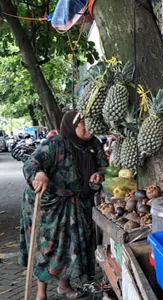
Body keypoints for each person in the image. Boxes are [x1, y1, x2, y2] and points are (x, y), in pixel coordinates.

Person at [19, 110, 108, 300]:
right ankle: (40, 293)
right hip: (50, 205)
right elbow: (31, 163)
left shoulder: (94, 145)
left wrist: (99, 175)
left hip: (78, 203)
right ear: (72, 125)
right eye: (84, 124)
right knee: (46, 248)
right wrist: (40, 174)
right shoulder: (54, 144)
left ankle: (64, 285)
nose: (89, 128)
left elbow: (103, 166)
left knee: (73, 247)